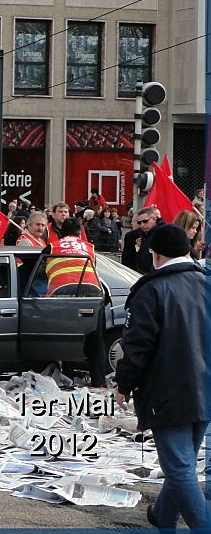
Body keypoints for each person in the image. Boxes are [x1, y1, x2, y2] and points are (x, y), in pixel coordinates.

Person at [115, 225, 210, 530]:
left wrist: (124, 385)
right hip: (205, 388)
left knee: (179, 467)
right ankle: (163, 516)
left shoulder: (151, 289)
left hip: (169, 390)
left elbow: (136, 345)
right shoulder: (206, 282)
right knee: (182, 462)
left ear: (155, 254)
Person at [122, 206, 162, 273]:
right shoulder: (142, 234)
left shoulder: (162, 234)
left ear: (154, 219)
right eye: (140, 223)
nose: (142, 225)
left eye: (145, 221)